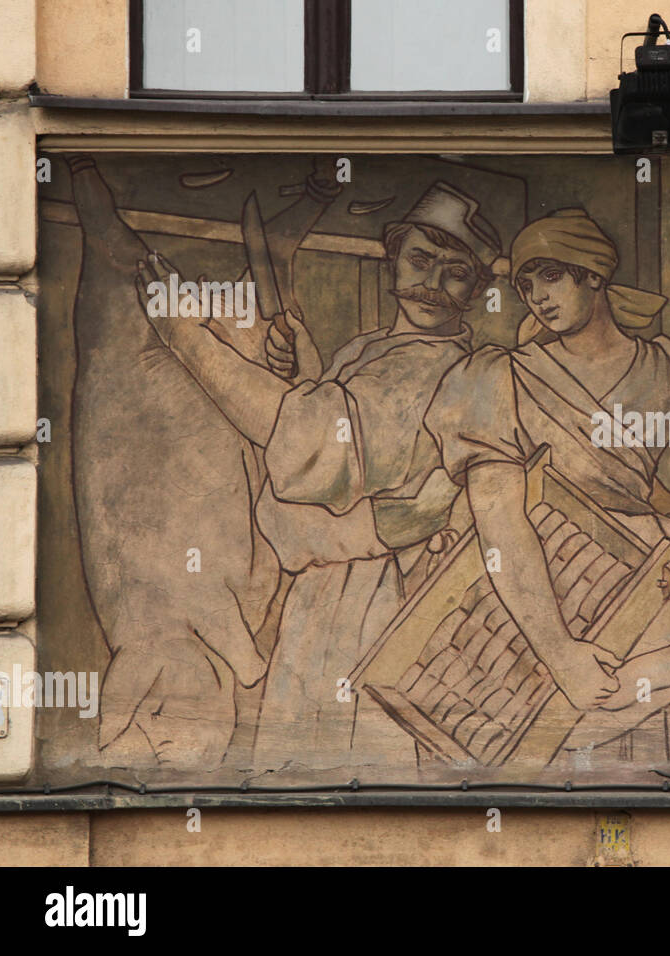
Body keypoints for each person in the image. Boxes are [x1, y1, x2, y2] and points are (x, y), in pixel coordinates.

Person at [137, 181, 502, 771]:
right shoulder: (375, 348)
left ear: (479, 288)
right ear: (392, 257)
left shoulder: (435, 370)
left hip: (375, 605)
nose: (432, 285)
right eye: (420, 259)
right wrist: (309, 371)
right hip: (325, 597)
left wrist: (186, 338)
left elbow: (303, 439)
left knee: (352, 775)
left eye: (456, 272)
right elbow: (337, 442)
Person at [425, 208, 670, 761]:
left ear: (595, 276)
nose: (537, 296)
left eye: (551, 276)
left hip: (652, 588)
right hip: (551, 594)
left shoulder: (669, 365)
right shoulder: (499, 375)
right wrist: (560, 653)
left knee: (669, 765)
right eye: (525, 285)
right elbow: (501, 520)